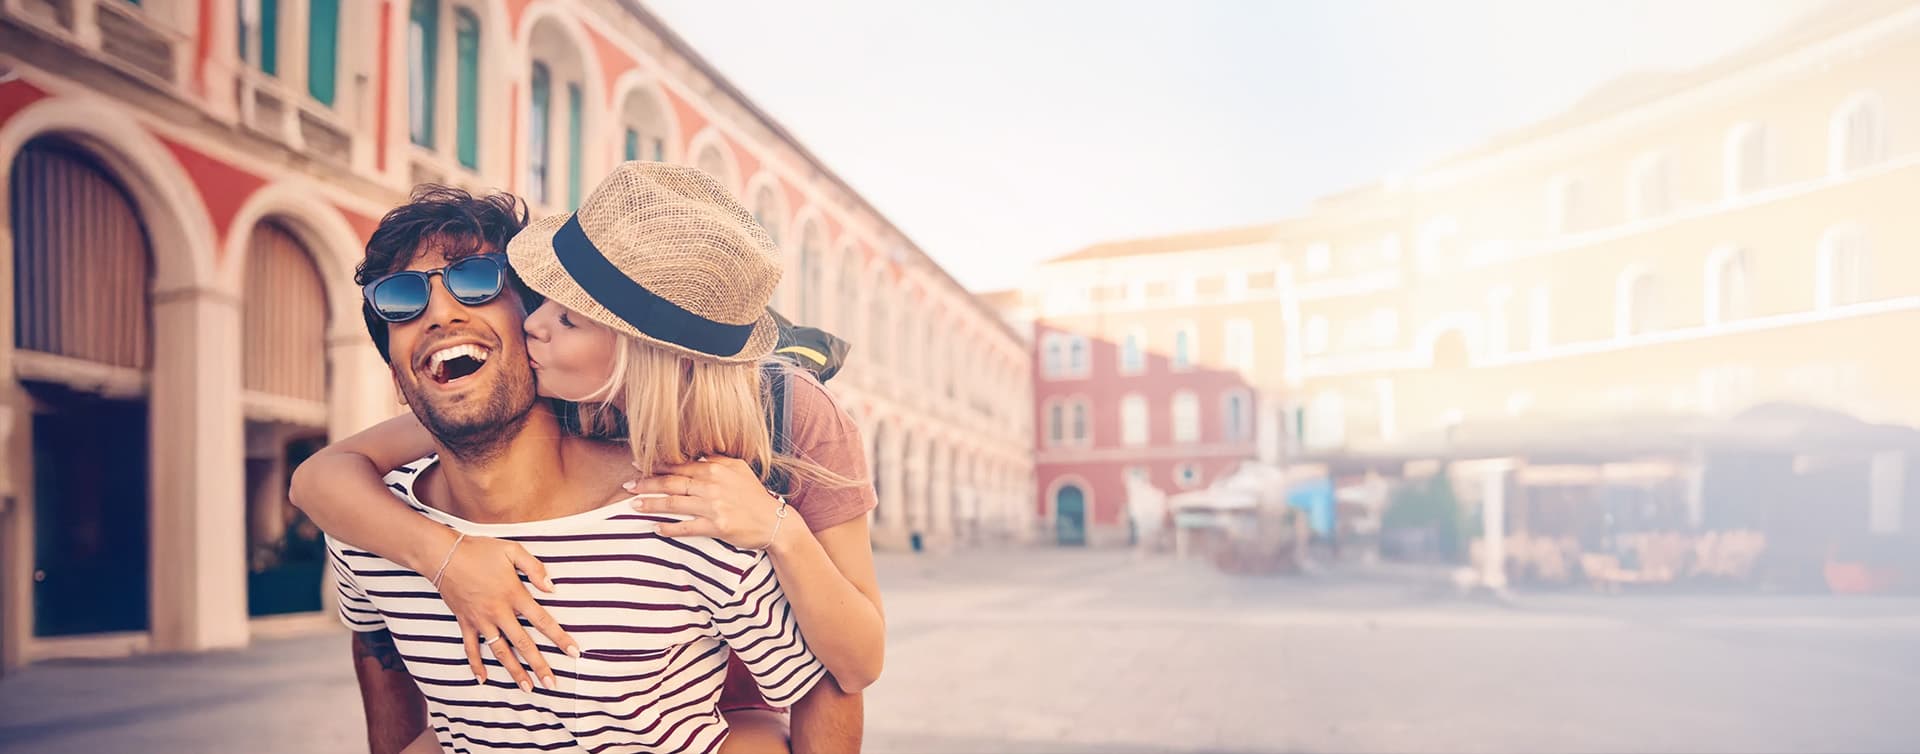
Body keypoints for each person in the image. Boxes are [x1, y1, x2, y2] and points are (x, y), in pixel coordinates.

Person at [304, 167, 869, 753]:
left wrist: (782, 530)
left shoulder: (781, 425)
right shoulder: (553, 392)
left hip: (729, 693)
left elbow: (847, 668)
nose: (443, 313)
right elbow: (321, 481)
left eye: (477, 282)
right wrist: (445, 557)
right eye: (401, 297)